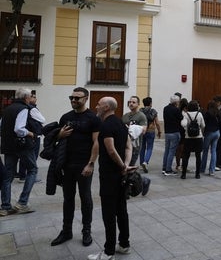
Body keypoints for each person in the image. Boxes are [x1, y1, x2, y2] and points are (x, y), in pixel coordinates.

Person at [51, 87, 101, 247]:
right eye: (71, 97)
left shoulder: (93, 118)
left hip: (84, 165)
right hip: (67, 164)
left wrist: (91, 164)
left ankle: (86, 231)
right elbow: (57, 140)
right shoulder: (65, 117)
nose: (73, 100)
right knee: (68, 198)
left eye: (77, 98)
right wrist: (59, 135)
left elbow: (96, 143)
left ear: (86, 98)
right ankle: (66, 231)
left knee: (85, 198)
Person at [88, 97, 136, 260]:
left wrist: (122, 166)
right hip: (121, 175)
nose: (96, 106)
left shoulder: (106, 125)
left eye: (99, 104)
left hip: (110, 176)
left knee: (109, 213)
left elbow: (110, 150)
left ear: (106, 107)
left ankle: (108, 252)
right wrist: (126, 165)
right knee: (121, 210)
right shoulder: (120, 123)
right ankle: (124, 244)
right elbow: (129, 146)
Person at [0, 88, 39, 216]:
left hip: (8, 146)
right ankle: (22, 203)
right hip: (21, 146)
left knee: (8, 175)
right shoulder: (23, 109)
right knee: (32, 170)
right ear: (26, 98)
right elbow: (19, 129)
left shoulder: (7, 109)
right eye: (30, 97)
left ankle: (5, 207)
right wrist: (31, 133)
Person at [16, 90, 45, 182]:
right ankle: (29, 175)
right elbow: (43, 119)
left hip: (26, 135)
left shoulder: (24, 108)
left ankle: (22, 174)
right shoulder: (32, 109)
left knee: (25, 156)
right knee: (32, 157)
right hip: (33, 135)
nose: (35, 98)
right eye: (33, 96)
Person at [180, 100, 205, 178]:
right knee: (198, 156)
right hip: (198, 137)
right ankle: (197, 174)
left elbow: (183, 124)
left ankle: (183, 174)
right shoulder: (199, 114)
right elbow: (203, 125)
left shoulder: (186, 114)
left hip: (188, 138)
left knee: (186, 156)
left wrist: (186, 130)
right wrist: (201, 131)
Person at [122, 96, 147, 167]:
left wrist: (131, 129)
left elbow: (144, 130)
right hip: (124, 143)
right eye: (130, 102)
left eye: (133, 102)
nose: (131, 104)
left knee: (131, 164)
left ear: (138, 104)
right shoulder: (125, 116)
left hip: (135, 145)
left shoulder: (141, 116)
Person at [139, 97, 162, 173]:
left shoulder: (140, 111)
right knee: (149, 147)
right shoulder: (153, 111)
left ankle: (141, 163)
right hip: (151, 131)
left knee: (142, 147)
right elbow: (157, 123)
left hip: (142, 130)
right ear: (150, 103)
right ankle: (145, 162)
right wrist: (159, 131)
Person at [162, 94, 183, 176]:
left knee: (167, 150)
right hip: (174, 131)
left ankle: (164, 168)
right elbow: (181, 118)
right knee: (172, 151)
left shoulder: (165, 108)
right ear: (176, 102)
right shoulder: (176, 110)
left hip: (167, 132)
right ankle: (168, 169)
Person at [201, 100, 221, 176]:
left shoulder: (207, 113)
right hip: (217, 132)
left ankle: (202, 168)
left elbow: (204, 123)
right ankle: (212, 170)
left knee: (205, 151)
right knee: (214, 151)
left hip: (209, 133)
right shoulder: (219, 112)